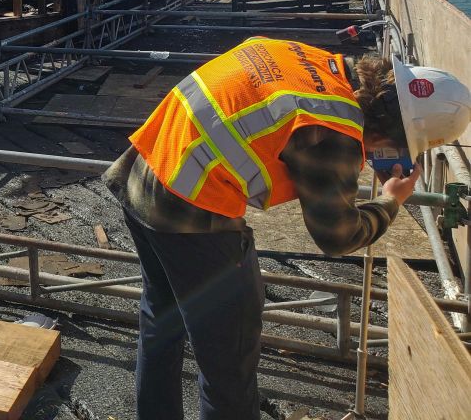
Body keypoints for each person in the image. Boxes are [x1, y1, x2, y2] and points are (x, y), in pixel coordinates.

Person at [103, 36, 471, 420]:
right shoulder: (334, 131)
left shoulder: (317, 61)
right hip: (192, 212)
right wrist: (390, 200)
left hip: (146, 167)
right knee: (228, 364)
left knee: (161, 324)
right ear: (393, 133)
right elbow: (338, 235)